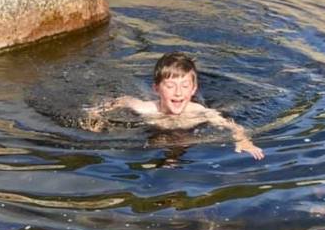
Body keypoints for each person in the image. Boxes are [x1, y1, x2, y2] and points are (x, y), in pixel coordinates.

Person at [88, 52, 265, 160]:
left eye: (185, 86)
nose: (178, 93)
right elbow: (122, 100)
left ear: (194, 89)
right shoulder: (145, 108)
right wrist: (95, 115)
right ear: (157, 88)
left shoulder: (200, 112)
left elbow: (232, 125)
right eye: (171, 86)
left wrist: (244, 141)